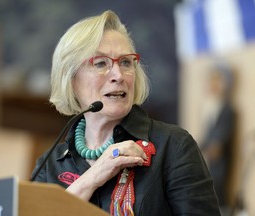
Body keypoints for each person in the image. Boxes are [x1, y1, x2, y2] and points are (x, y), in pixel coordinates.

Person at [31, 10, 220, 215]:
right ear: (71, 78)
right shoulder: (49, 166)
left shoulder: (173, 146)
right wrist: (93, 177)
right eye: (101, 63)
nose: (118, 75)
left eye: (125, 62)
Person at [199, 62, 236, 214]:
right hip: (208, 156)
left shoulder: (227, 109)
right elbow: (208, 133)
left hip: (220, 158)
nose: (213, 84)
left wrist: (216, 144)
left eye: (217, 80)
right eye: (212, 80)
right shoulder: (210, 106)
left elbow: (222, 132)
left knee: (218, 186)